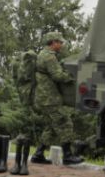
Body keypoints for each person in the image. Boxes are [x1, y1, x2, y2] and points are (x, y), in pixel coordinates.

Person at [30, 31, 83, 165]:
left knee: (51, 127)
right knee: (65, 123)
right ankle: (68, 156)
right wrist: (72, 77)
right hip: (50, 98)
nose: (61, 44)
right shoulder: (49, 57)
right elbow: (57, 76)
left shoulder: (42, 54)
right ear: (53, 42)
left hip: (44, 97)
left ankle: (38, 154)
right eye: (59, 42)